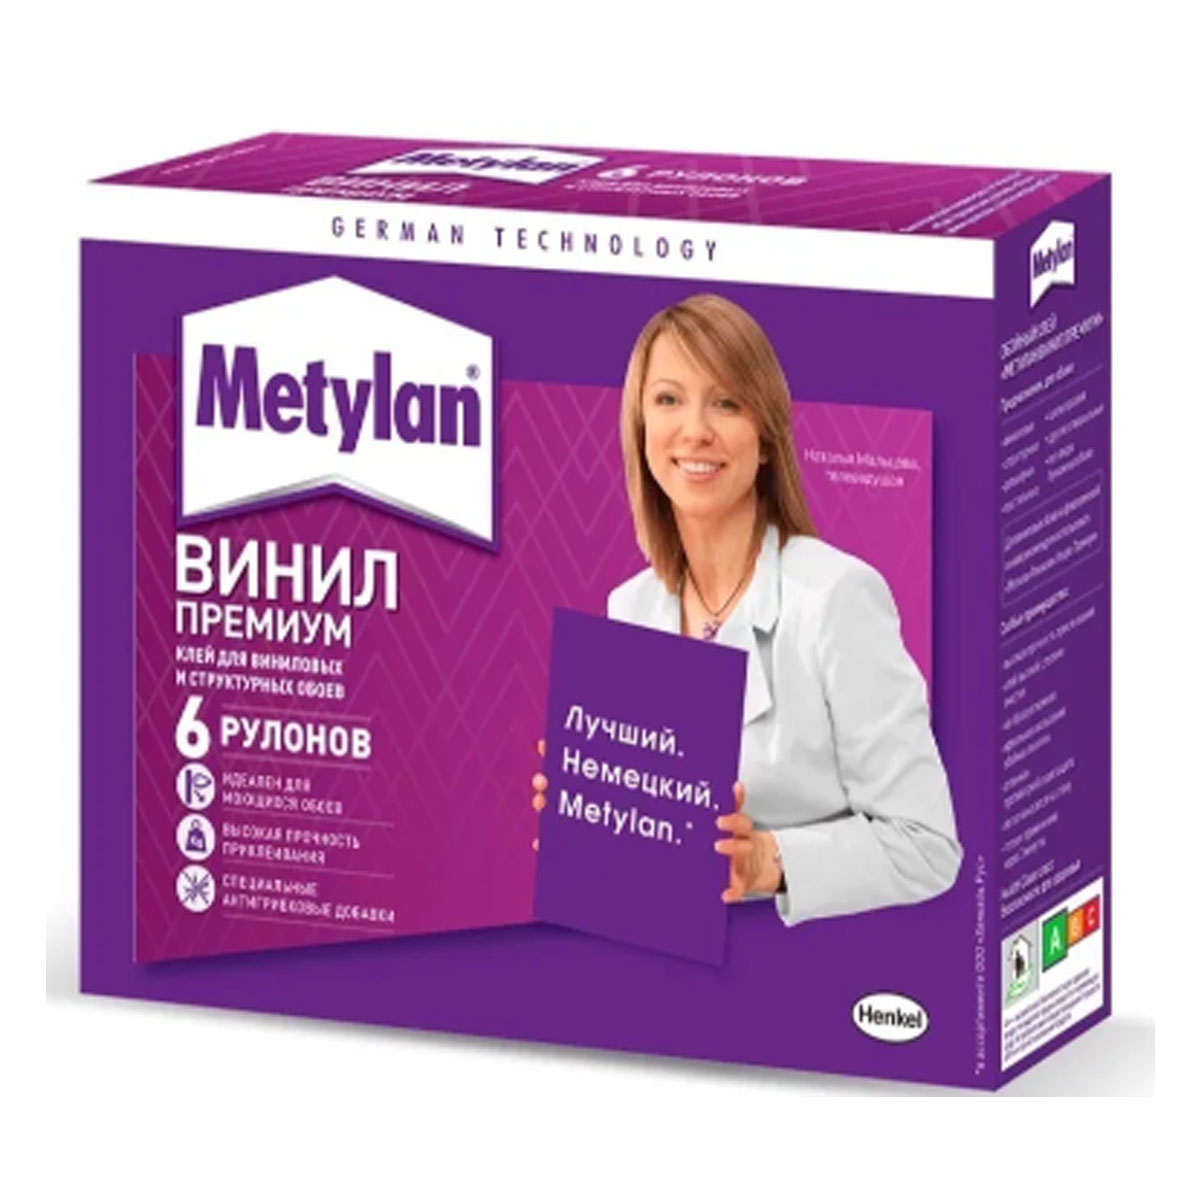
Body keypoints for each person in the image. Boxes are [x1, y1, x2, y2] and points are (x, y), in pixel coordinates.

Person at [534, 293, 961, 926]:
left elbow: (927, 847)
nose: (695, 430)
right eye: (668, 400)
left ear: (765, 439)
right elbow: (658, 859)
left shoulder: (837, 597)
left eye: (727, 403)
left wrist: (770, 861)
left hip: (816, 961)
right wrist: (591, 819)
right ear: (640, 428)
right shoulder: (631, 607)